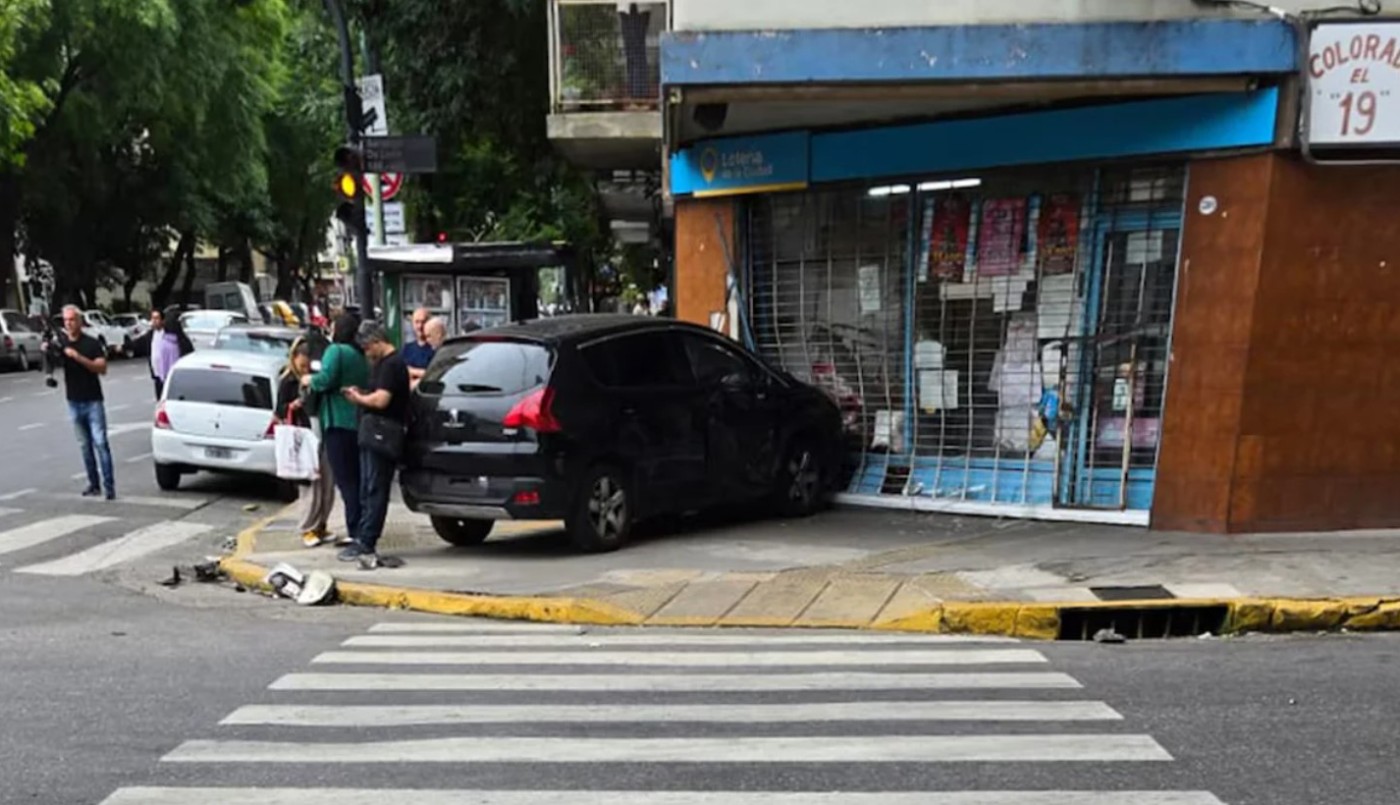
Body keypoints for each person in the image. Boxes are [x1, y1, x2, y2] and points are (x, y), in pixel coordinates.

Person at [340, 321, 409, 569]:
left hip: (383, 433)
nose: (367, 353)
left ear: (377, 342)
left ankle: (367, 539)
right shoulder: (385, 364)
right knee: (368, 487)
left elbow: (381, 400)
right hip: (374, 433)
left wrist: (358, 398)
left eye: (368, 348)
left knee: (374, 487)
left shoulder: (391, 365)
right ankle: (363, 536)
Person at [303, 313, 369, 552]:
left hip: (337, 422)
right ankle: (363, 527)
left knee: (346, 481)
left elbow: (326, 379)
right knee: (358, 479)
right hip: (358, 421)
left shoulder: (336, 351)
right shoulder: (360, 356)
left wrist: (310, 379)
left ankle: (356, 531)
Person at [278, 338, 336, 548]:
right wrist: (292, 406)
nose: (304, 369)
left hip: (319, 433)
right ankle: (307, 527)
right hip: (302, 436)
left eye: (307, 365)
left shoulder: (314, 380)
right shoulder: (288, 381)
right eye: (301, 365)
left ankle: (321, 524)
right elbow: (279, 410)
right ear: (294, 360)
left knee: (327, 484)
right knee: (310, 486)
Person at [53, 305, 115, 500]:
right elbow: (51, 364)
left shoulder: (91, 343)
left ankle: (109, 486)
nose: (69, 324)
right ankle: (94, 484)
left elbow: (102, 368)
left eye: (72, 320)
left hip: (93, 401)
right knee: (84, 446)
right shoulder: (62, 345)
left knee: (101, 443)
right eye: (66, 320)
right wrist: (48, 350)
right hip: (74, 401)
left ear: (80, 321)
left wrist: (78, 357)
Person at [147, 310, 182, 400]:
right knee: (160, 400)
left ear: (163, 320)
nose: (154, 321)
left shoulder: (169, 337)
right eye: (152, 318)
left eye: (156, 318)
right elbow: (139, 343)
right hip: (157, 375)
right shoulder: (151, 334)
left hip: (169, 375)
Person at [401, 307, 435, 386]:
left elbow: (435, 375)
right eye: (417, 322)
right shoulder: (407, 349)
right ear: (412, 324)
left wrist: (411, 371)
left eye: (423, 322)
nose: (420, 326)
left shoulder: (436, 348)